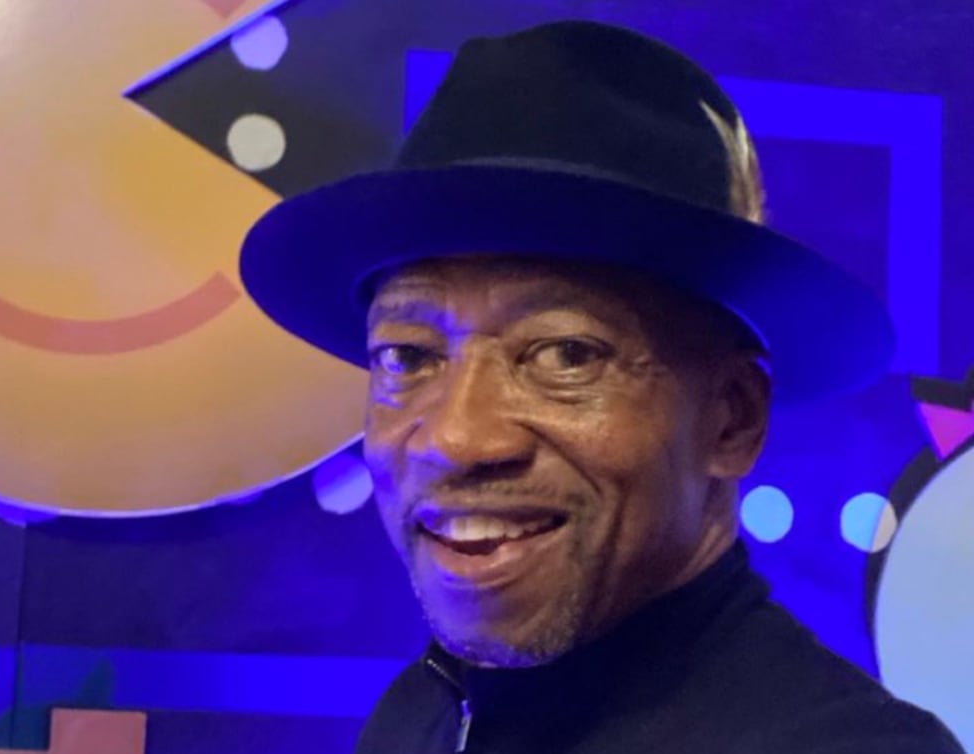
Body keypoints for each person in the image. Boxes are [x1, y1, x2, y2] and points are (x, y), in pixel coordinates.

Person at [237, 19, 964, 754]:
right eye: (407, 356)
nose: (455, 438)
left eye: (565, 354)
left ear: (732, 419)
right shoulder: (416, 719)